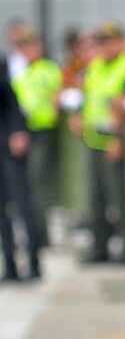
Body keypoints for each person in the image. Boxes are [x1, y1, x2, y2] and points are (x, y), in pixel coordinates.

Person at [75, 21, 125, 264]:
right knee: (96, 198)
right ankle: (99, 247)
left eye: (111, 41)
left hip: (115, 140)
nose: (106, 47)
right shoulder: (96, 66)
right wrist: (79, 116)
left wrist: (118, 139)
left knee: (120, 199)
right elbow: (90, 97)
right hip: (93, 139)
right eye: (103, 42)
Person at [10, 27, 63, 249]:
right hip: (23, 132)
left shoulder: (48, 70)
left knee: (37, 185)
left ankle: (40, 236)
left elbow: (56, 100)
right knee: (25, 187)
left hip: (42, 132)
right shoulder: (23, 72)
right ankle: (33, 233)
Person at [0, 39, 40, 281]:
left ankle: (33, 264)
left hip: (8, 145)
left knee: (23, 205)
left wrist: (17, 131)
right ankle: (10, 266)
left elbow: (9, 98)